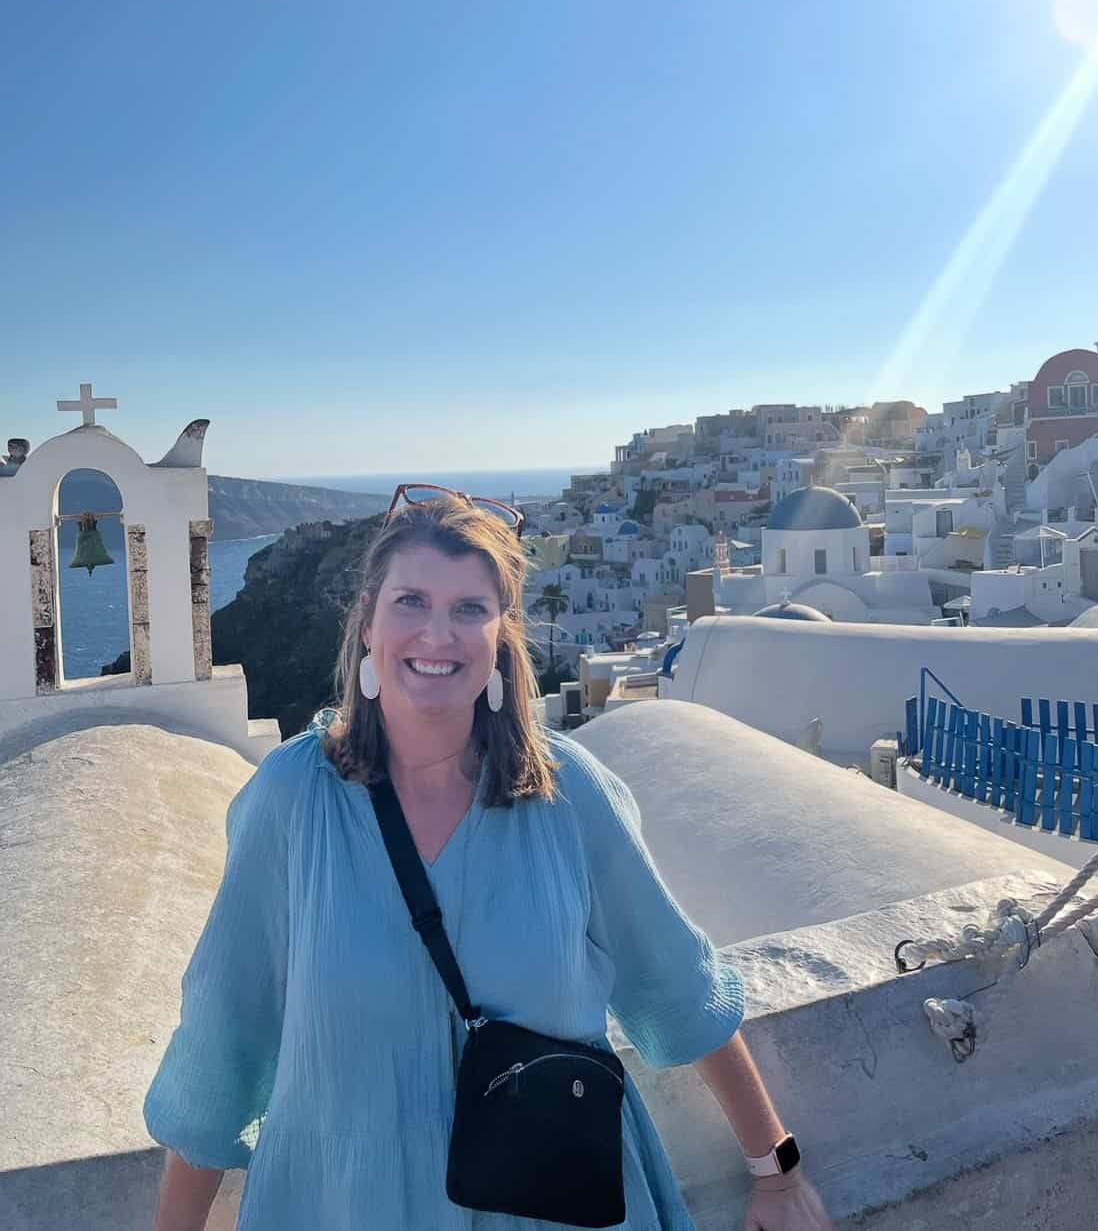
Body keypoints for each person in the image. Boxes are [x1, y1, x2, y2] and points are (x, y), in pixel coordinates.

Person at [144, 487, 833, 1231]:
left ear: (499, 634)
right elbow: (223, 1038)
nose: (437, 635)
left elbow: (678, 985)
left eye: (470, 608)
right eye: (411, 601)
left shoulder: (572, 797)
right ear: (368, 622)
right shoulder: (293, 799)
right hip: (345, 1205)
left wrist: (777, 1172)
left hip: (553, 1206)